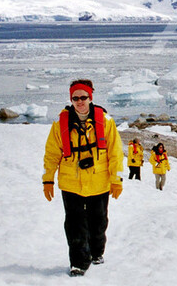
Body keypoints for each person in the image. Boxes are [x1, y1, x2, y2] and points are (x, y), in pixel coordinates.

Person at [43, 79, 123, 277]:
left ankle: (96, 252)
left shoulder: (105, 121)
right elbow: (52, 153)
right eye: (75, 98)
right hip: (71, 183)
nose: (79, 101)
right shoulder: (60, 124)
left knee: (99, 221)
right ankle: (78, 262)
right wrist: (48, 179)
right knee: (74, 223)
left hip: (99, 182)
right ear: (71, 99)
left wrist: (116, 179)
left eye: (83, 97)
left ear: (90, 98)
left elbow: (115, 153)